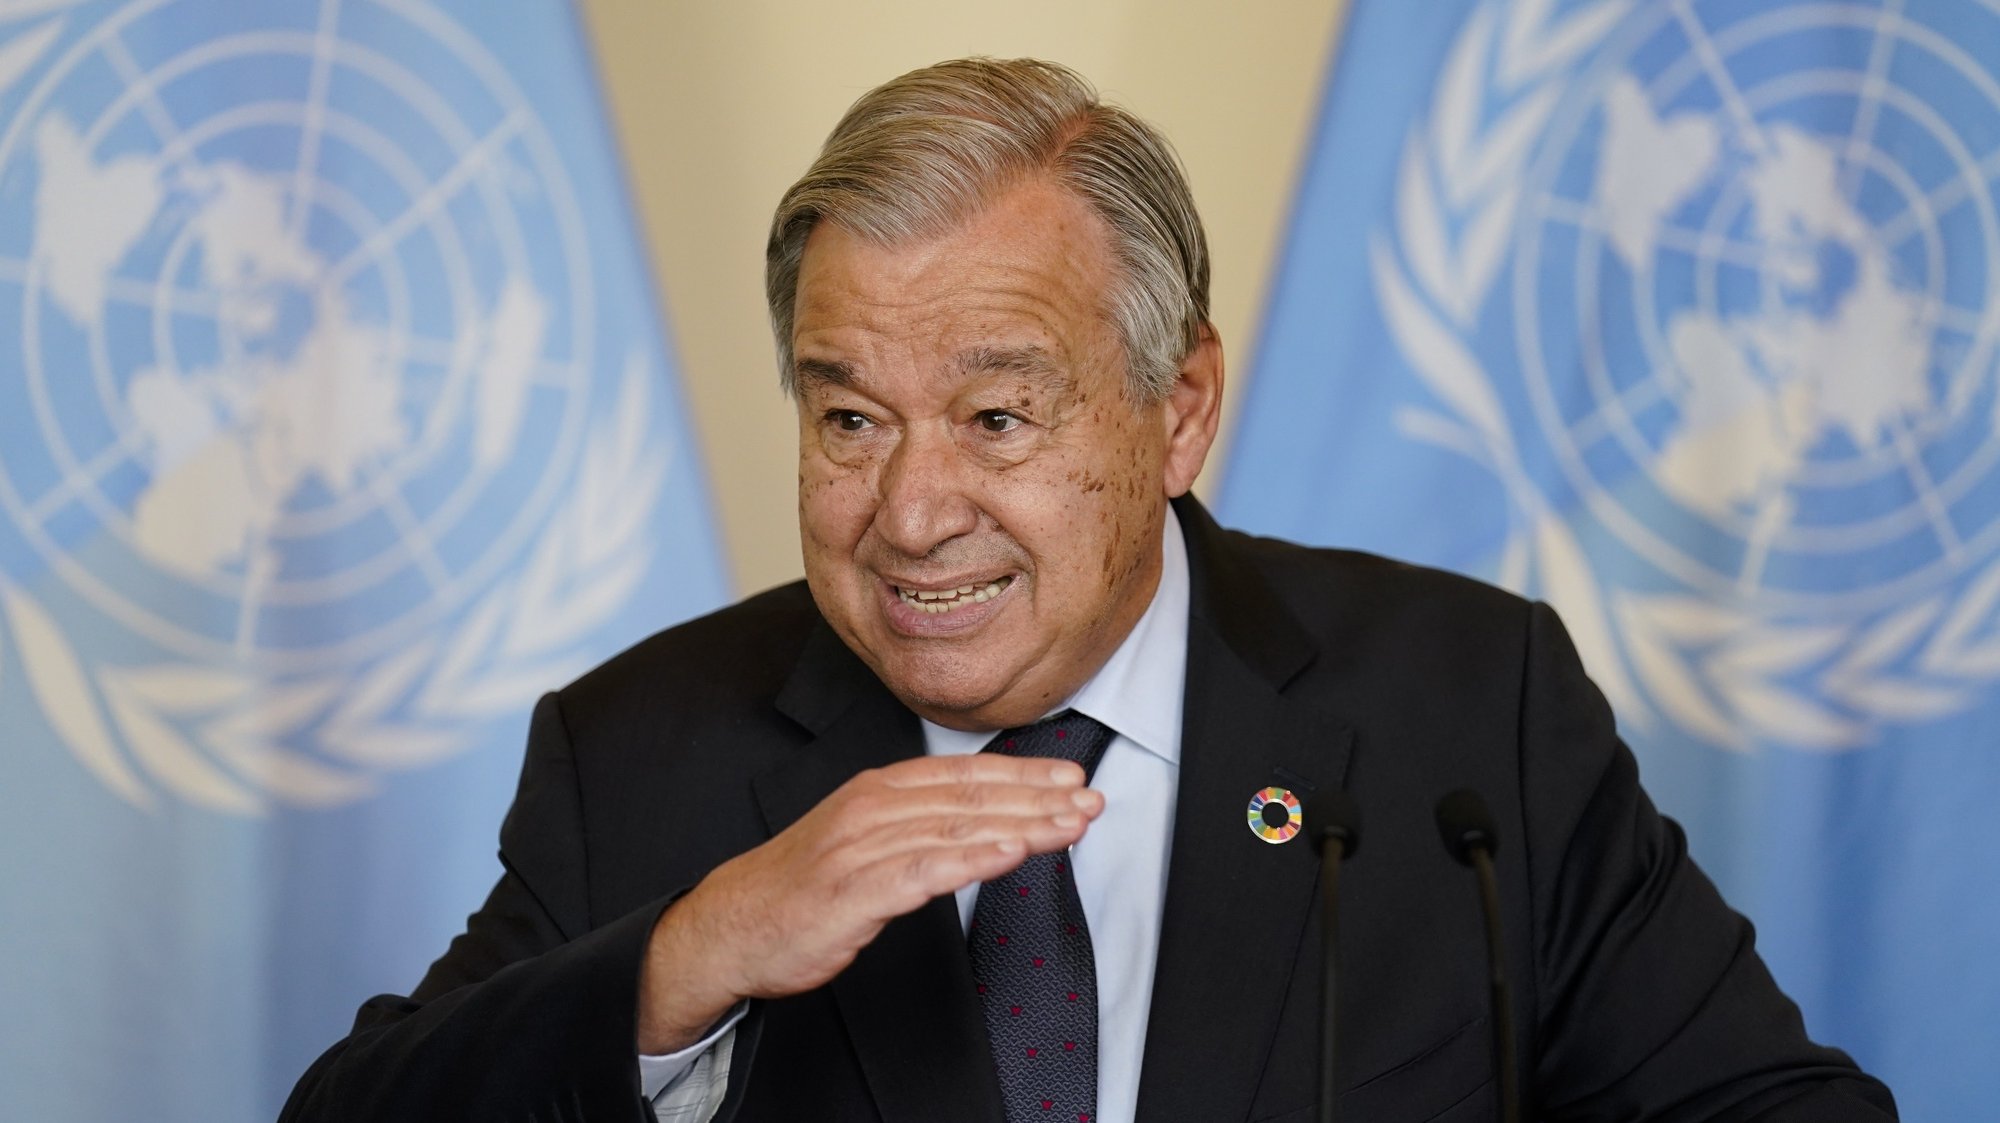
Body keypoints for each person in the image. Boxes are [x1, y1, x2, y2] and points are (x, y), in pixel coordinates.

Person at [281, 58, 1897, 1122]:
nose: (911, 513)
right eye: (848, 418)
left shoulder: (1467, 714)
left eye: (997, 418)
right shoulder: (647, 748)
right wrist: (693, 956)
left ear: (1178, 411)